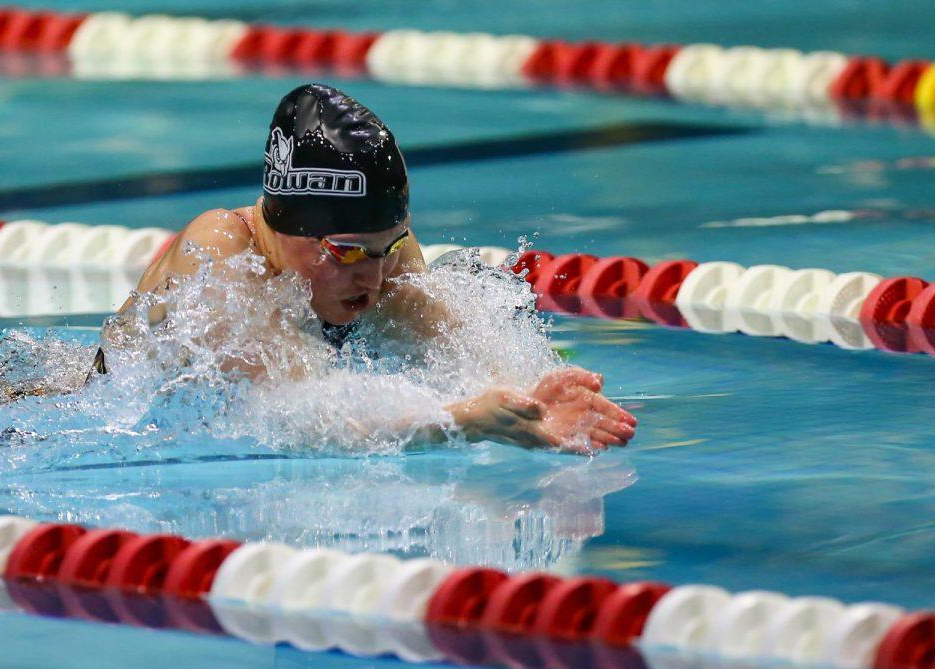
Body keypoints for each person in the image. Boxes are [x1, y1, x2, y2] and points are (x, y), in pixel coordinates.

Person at [95, 83, 636, 453]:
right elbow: (303, 418)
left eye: (389, 247)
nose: (374, 278)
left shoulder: (384, 254)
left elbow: (459, 347)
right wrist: (461, 420)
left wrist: (528, 397)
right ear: (288, 226)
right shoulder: (222, 258)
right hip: (85, 419)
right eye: (347, 252)